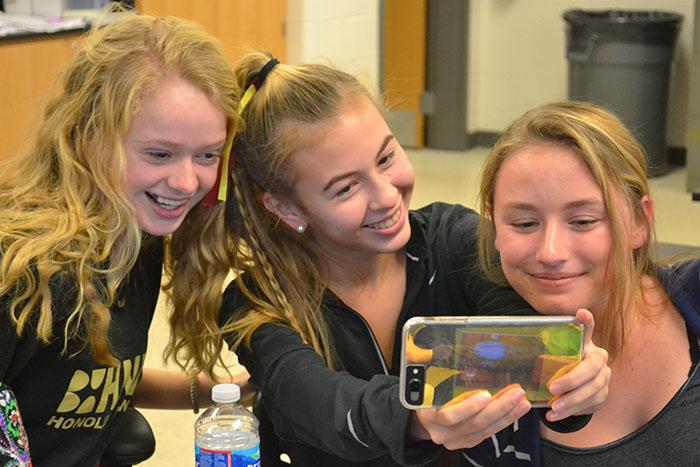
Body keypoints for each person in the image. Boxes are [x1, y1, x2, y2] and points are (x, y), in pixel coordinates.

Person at [168, 53, 610, 466]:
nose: (386, 195)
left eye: (386, 157)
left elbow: (526, 347)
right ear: (288, 208)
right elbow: (315, 402)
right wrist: (417, 418)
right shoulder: (259, 304)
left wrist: (572, 385)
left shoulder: (453, 241)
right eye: (345, 188)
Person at [0, 11, 249, 466]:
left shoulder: (136, 235)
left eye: (208, 154)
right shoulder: (22, 267)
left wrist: (218, 391)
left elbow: (75, 381)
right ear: (89, 136)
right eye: (159, 153)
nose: (187, 181)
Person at [474, 100, 700, 465]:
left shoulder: (692, 300)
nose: (550, 252)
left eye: (583, 221)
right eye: (524, 224)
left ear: (639, 223)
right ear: (494, 229)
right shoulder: (477, 361)